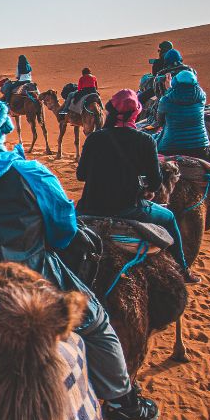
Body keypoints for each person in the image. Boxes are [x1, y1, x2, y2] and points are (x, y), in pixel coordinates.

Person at [0, 91, 160, 420]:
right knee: (98, 323)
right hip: (29, 295)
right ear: (4, 127)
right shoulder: (32, 175)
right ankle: (121, 404)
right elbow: (63, 235)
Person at [77, 89, 197, 283]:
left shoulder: (94, 138)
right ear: (136, 114)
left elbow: (81, 175)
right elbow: (156, 183)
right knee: (169, 218)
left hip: (89, 207)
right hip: (129, 209)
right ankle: (183, 269)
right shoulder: (145, 141)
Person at [155, 70, 210, 187]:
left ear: (175, 82)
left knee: (152, 159)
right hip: (200, 147)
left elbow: (160, 121)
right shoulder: (201, 97)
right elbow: (187, 98)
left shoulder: (165, 100)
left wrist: (169, 89)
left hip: (169, 147)